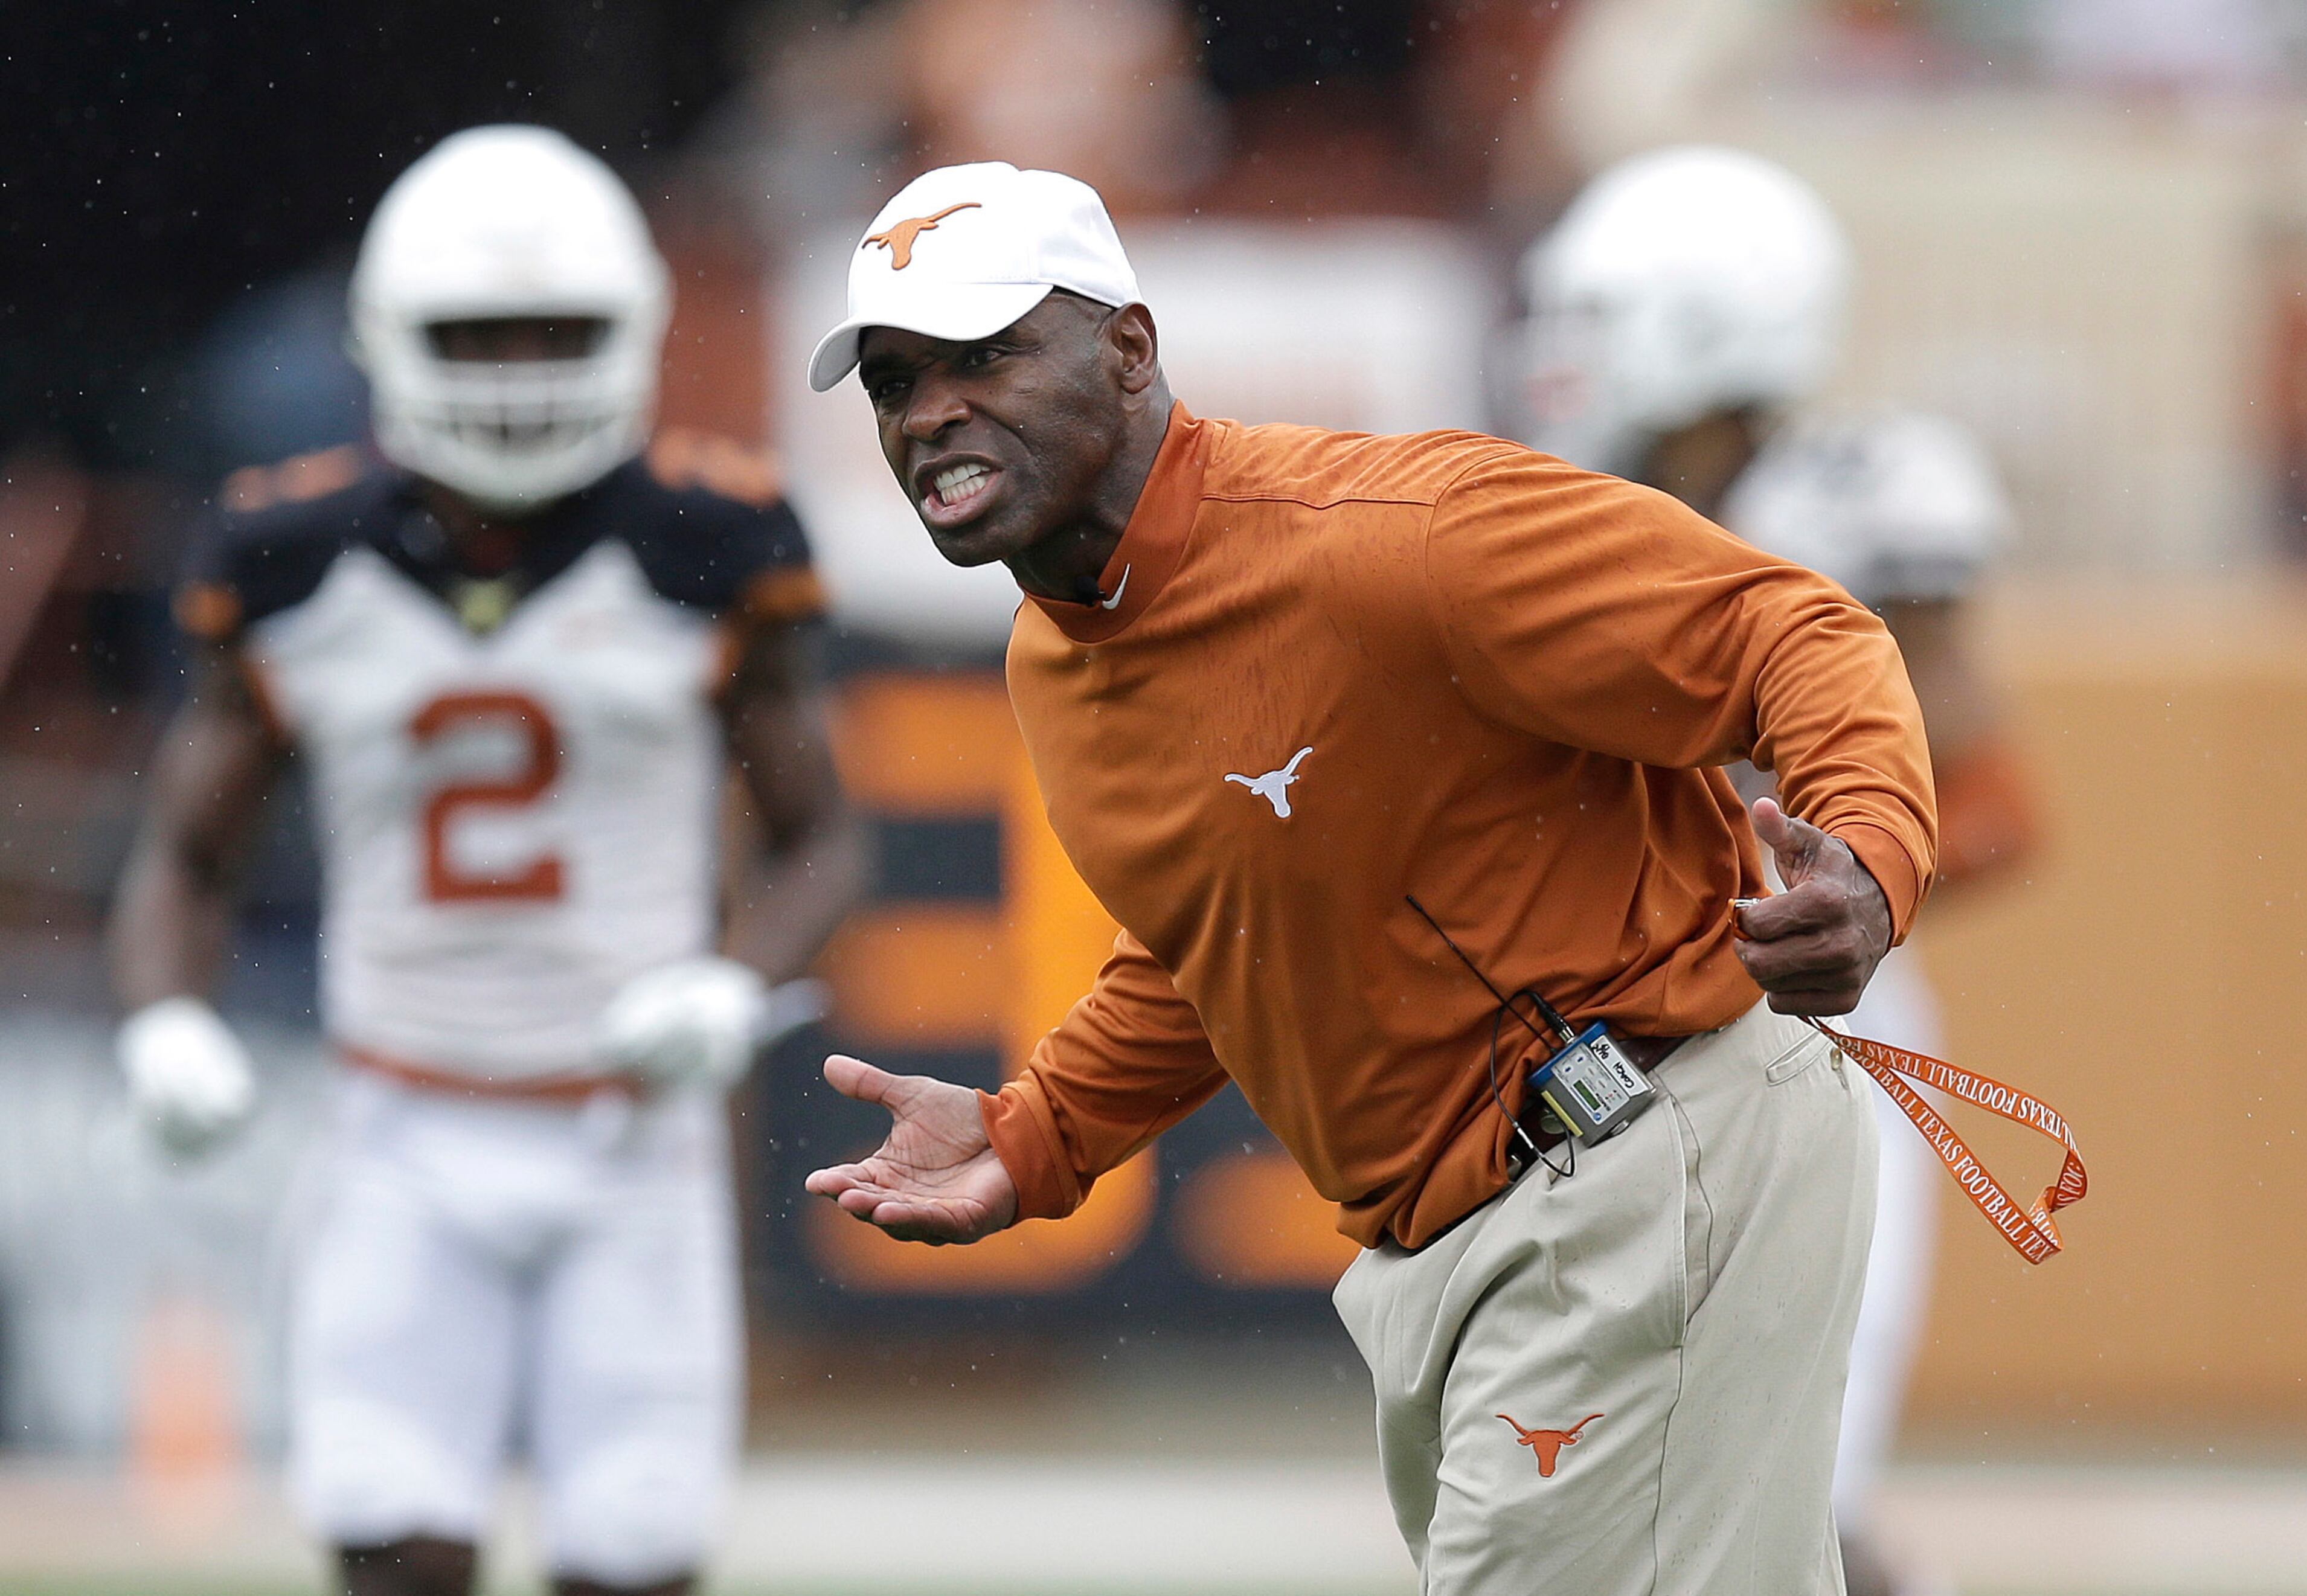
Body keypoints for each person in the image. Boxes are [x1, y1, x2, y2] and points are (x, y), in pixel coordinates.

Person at [797, 160, 1934, 1592]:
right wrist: (1037, 1133)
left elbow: (1796, 630)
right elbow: (1232, 935)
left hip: (1638, 1147)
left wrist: (1874, 857)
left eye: (984, 352)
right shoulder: (1055, 656)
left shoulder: (1390, 536)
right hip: (1494, 1225)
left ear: (1129, 348)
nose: (931, 410)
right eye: (896, 380)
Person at [107, 125, 864, 1596]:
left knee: (632, 1560)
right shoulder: (289, 555)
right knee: (398, 1551)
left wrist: (731, 982)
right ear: (391, 342)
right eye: (478, 335)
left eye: (556, 333)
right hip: (400, 1125)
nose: (519, 368)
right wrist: (165, 1017)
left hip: (628, 1135)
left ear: (630, 333)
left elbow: (823, 836)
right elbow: (188, 855)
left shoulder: (710, 539)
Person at [1520, 144, 2039, 1596]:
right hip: (1609, 1040)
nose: (1565, 352)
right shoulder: (1548, 507)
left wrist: (1827, 888)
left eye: (1603, 314)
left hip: (1819, 1036)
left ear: (1711, 320)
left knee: (1791, 1488)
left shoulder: (1861, 497)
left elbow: (1995, 804)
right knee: (1600, 1480)